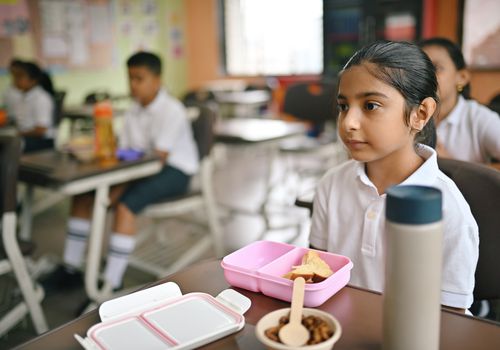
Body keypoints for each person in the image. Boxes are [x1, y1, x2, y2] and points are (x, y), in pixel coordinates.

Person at [309, 41, 479, 312]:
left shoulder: (449, 210)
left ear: (420, 114)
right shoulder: (332, 183)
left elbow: (451, 319)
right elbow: (317, 274)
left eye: (371, 105)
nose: (349, 122)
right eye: (343, 106)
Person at [42, 51, 199, 293]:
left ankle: (111, 282)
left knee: (124, 206)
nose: (133, 85)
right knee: (83, 196)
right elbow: (125, 151)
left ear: (157, 80)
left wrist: (119, 187)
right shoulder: (133, 110)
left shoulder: (172, 110)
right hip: (139, 168)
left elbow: (158, 158)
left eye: (139, 78)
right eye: (130, 78)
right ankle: (71, 267)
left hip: (174, 170)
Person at [419, 37, 500, 164]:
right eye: (421, 69)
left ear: (462, 77)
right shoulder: (407, 113)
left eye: (436, 68)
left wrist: (452, 165)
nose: (427, 76)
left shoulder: (479, 118)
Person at [10, 60, 55, 152]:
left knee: (8, 147)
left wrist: (17, 133)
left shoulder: (41, 98)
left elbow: (40, 130)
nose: (15, 80)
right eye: (15, 76)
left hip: (41, 141)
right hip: (26, 137)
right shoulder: (22, 97)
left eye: (20, 77)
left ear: (33, 80)